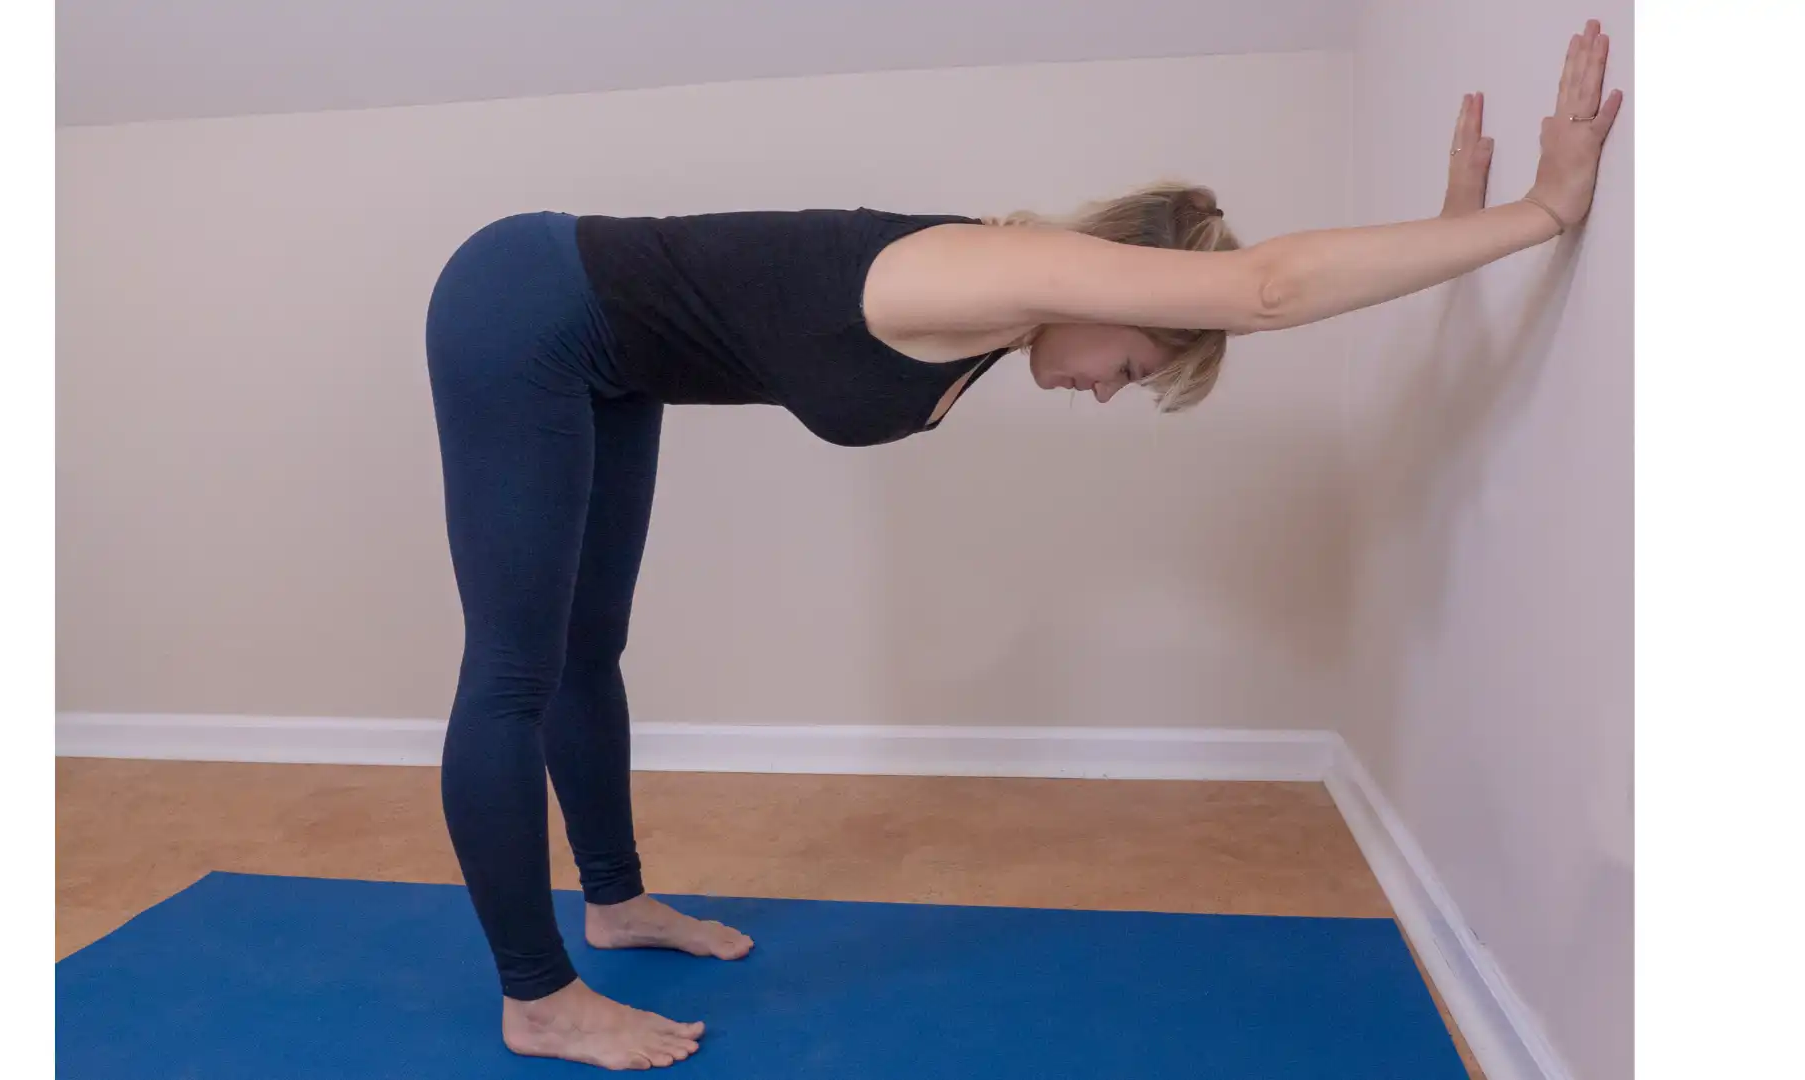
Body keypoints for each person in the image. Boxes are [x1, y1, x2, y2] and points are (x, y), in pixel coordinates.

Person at [420, 19, 1621, 1071]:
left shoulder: (1002, 313)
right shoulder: (994, 269)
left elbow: (1267, 291)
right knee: (516, 671)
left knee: (589, 649)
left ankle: (616, 902)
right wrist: (1538, 215)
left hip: (614, 359)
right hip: (525, 305)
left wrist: (1447, 240)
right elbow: (1265, 289)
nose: (1109, 392)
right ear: (1122, 289)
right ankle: (540, 999)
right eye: (1137, 367)